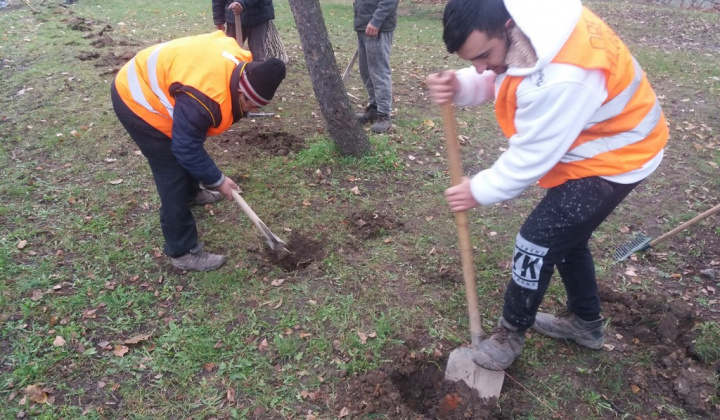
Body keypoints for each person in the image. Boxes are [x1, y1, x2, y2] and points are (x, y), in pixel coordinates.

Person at [426, 0, 668, 370]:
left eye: (483, 55)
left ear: (508, 27)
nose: (480, 66)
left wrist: (478, 190)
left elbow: (531, 157)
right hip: (598, 141)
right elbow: (502, 72)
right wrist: (461, 84)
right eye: (471, 59)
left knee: (535, 242)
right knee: (567, 240)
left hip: (617, 157)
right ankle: (586, 325)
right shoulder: (531, 25)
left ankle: (510, 333)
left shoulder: (564, 75)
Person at [111, 31, 286, 272]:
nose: (250, 112)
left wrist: (212, 178)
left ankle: (193, 193)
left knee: (188, 141)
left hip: (168, 86)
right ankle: (182, 252)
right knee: (172, 173)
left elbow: (191, 138)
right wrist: (218, 180)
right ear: (240, 91)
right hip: (136, 97)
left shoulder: (238, 66)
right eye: (250, 105)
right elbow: (185, 147)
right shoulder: (205, 97)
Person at [353, 0, 399, 134]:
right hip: (364, 26)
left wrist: (376, 21)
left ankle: (384, 115)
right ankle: (374, 108)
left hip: (377, 27)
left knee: (379, 72)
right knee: (366, 71)